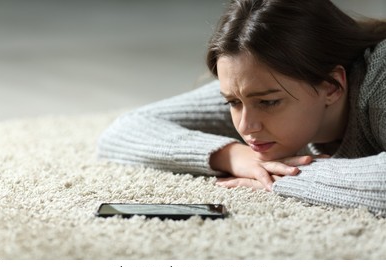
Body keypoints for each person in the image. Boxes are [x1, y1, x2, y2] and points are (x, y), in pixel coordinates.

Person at [98, 0, 386, 216]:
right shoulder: (256, 79)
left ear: (332, 86)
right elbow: (123, 131)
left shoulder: (379, 81)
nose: (247, 127)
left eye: (269, 102)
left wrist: (288, 177)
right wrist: (237, 157)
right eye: (233, 102)